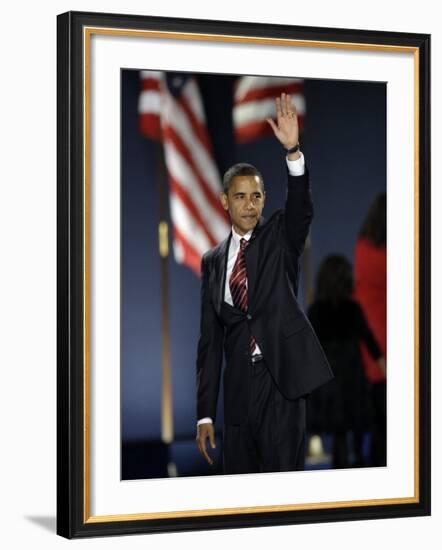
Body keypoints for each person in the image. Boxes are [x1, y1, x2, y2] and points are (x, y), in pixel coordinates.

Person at [195, 92, 334, 475]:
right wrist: (205, 416)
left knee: (285, 489)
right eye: (240, 196)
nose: (250, 204)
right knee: (241, 495)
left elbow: (300, 209)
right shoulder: (211, 263)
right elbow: (210, 345)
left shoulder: (278, 238)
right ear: (225, 201)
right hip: (238, 394)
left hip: (280, 383)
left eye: (256, 195)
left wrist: (293, 152)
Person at [306, 255, 386, 469]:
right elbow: (370, 343)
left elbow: (305, 348)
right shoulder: (353, 309)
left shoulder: (315, 311)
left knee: (338, 437)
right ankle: (361, 465)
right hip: (352, 379)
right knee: (359, 430)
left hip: (327, 383)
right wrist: (385, 370)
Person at [353, 192, 387, 466]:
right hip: (388, 331)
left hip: (368, 332)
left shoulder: (363, 245)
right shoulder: (394, 249)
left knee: (379, 419)